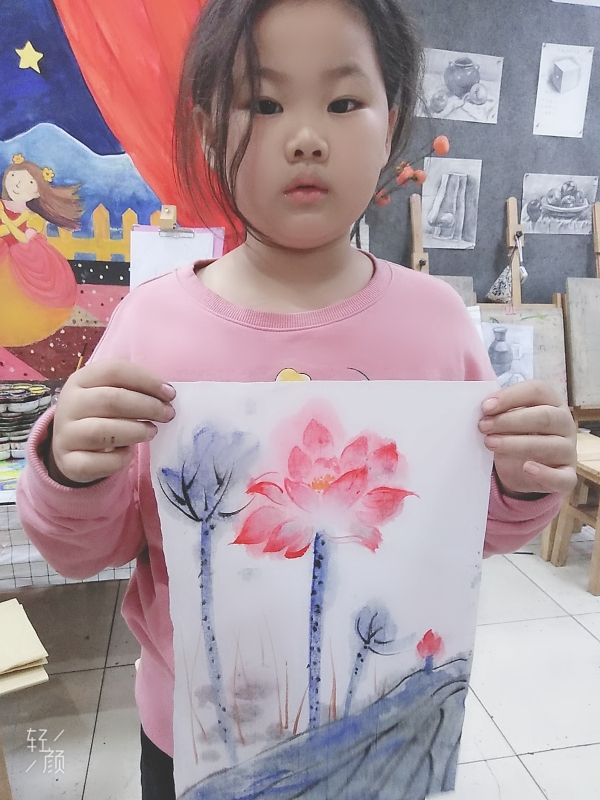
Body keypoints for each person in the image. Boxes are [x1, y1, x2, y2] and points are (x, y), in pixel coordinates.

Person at [17, 1, 577, 797]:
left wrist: (522, 483)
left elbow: (460, 537)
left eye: (344, 101)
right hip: (191, 748)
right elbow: (84, 551)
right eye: (264, 102)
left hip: (373, 750)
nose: (306, 135)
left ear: (391, 122)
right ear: (208, 130)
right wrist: (69, 468)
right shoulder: (151, 323)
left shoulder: (436, 322)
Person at [0, 155, 82, 347]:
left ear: (37, 191)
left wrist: (11, 221)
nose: (18, 184)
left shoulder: (30, 215)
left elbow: (19, 237)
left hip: (20, 253)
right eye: (13, 177)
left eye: (28, 182)